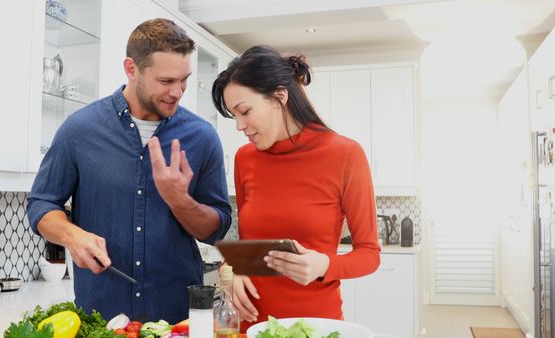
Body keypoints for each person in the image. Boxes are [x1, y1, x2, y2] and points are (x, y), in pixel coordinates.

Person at [27, 18, 232, 324]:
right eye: (166, 81)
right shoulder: (79, 130)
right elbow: (41, 204)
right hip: (101, 316)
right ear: (131, 69)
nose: (178, 92)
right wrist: (72, 235)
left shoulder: (202, 137)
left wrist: (180, 201)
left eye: (184, 80)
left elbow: (216, 229)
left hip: (178, 319)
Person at [211, 45, 380, 331]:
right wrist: (231, 269)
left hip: (313, 325)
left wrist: (324, 265)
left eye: (245, 111)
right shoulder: (245, 158)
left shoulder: (346, 155)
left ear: (279, 97)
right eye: (233, 115)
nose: (240, 126)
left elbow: (369, 254)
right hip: (251, 324)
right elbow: (248, 247)